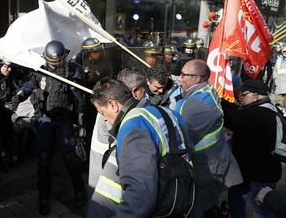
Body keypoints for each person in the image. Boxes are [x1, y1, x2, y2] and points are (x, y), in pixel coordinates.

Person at [88, 78, 194, 217]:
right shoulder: (166, 112)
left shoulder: (133, 127)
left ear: (113, 105)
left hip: (162, 208)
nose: (105, 119)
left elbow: (141, 193)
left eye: (102, 113)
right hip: (185, 197)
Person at [16, 40, 86, 215]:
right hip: (45, 118)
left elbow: (81, 100)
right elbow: (29, 84)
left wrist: (74, 88)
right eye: (51, 63)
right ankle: (44, 196)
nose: (55, 66)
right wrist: (19, 95)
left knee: (69, 156)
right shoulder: (40, 69)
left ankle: (79, 192)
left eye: (57, 63)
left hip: (65, 119)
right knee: (44, 158)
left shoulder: (72, 70)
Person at [173, 59, 242, 217]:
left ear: (197, 78)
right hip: (212, 164)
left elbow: (179, 139)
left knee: (201, 210)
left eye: (184, 75)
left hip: (206, 169)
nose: (180, 78)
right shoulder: (205, 91)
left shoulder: (195, 104)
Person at [223, 79, 281, 218]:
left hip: (259, 176)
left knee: (264, 211)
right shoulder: (269, 110)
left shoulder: (256, 114)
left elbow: (230, 117)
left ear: (255, 95)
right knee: (236, 200)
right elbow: (236, 111)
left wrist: (215, 100)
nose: (240, 98)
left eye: (243, 95)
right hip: (250, 173)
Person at [87, 68, 146, 199]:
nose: (104, 117)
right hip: (106, 170)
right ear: (133, 91)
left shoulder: (113, 112)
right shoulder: (124, 122)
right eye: (144, 90)